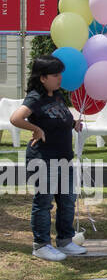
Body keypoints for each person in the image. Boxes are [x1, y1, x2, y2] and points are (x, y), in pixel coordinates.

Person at [10, 55, 85, 262]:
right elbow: (16, 118)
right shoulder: (35, 97)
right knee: (44, 203)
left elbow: (60, 117)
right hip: (43, 159)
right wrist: (36, 129)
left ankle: (65, 241)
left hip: (64, 159)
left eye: (60, 73)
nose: (59, 78)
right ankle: (41, 245)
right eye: (54, 74)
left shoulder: (58, 96)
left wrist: (72, 125)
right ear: (42, 78)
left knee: (67, 201)